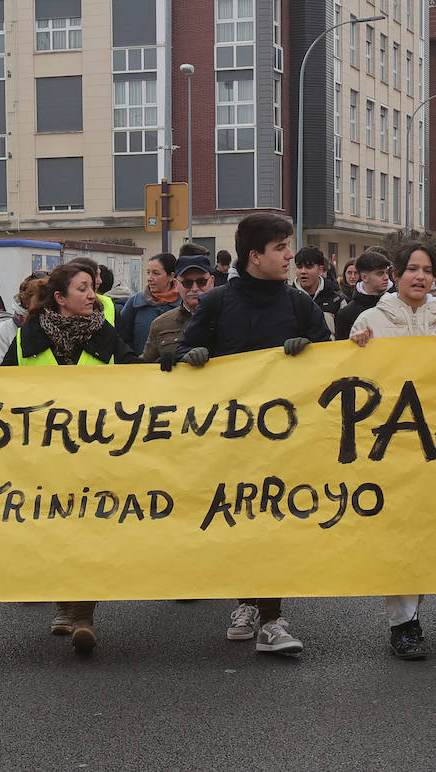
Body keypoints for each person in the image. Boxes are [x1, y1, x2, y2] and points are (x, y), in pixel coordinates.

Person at [177, 212, 331, 656]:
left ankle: (272, 617)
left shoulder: (301, 305)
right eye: (282, 248)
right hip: (230, 440)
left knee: (275, 524)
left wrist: (310, 355)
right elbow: (183, 350)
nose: (290, 256)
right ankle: (245, 603)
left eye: (290, 247)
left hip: (284, 441)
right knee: (239, 521)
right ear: (254, 256)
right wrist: (193, 356)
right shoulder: (217, 303)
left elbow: (331, 362)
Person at [0, 262, 137, 653]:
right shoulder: (28, 338)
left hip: (95, 455)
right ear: (60, 298)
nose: (93, 295)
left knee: (91, 531)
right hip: (45, 458)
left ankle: (83, 613)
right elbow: (5, 386)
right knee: (56, 531)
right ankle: (63, 600)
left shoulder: (106, 335)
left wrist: (166, 369)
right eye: (83, 289)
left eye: (92, 288)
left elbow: (135, 374)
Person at [347, 242, 436, 660]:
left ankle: (419, 603)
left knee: (432, 530)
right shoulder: (369, 320)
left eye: (427, 270)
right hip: (389, 448)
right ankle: (404, 623)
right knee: (396, 534)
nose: (419, 276)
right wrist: (357, 348)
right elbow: (348, 383)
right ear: (395, 274)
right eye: (412, 269)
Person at [142, 253, 214, 365]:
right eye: (187, 283)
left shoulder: (228, 318)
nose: (194, 288)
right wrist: (159, 363)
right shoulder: (160, 324)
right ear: (176, 284)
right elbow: (144, 366)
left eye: (201, 282)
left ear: (212, 281)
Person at [116, 252, 180, 354]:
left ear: (171, 276)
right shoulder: (135, 302)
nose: (149, 278)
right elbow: (121, 339)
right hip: (141, 367)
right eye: (148, 272)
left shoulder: (183, 305)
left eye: (156, 273)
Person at [333, 248, 393, 341]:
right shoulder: (346, 314)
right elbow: (342, 351)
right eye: (380, 273)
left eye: (387, 272)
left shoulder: (397, 304)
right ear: (364, 277)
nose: (386, 277)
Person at [294, 246, 345, 336]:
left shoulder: (337, 300)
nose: (303, 271)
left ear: (320, 269)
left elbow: (345, 337)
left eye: (309, 267)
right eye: (299, 267)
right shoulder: (287, 299)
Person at [69, 257, 117, 323]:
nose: (100, 281)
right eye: (82, 289)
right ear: (60, 298)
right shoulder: (52, 323)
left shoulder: (106, 303)